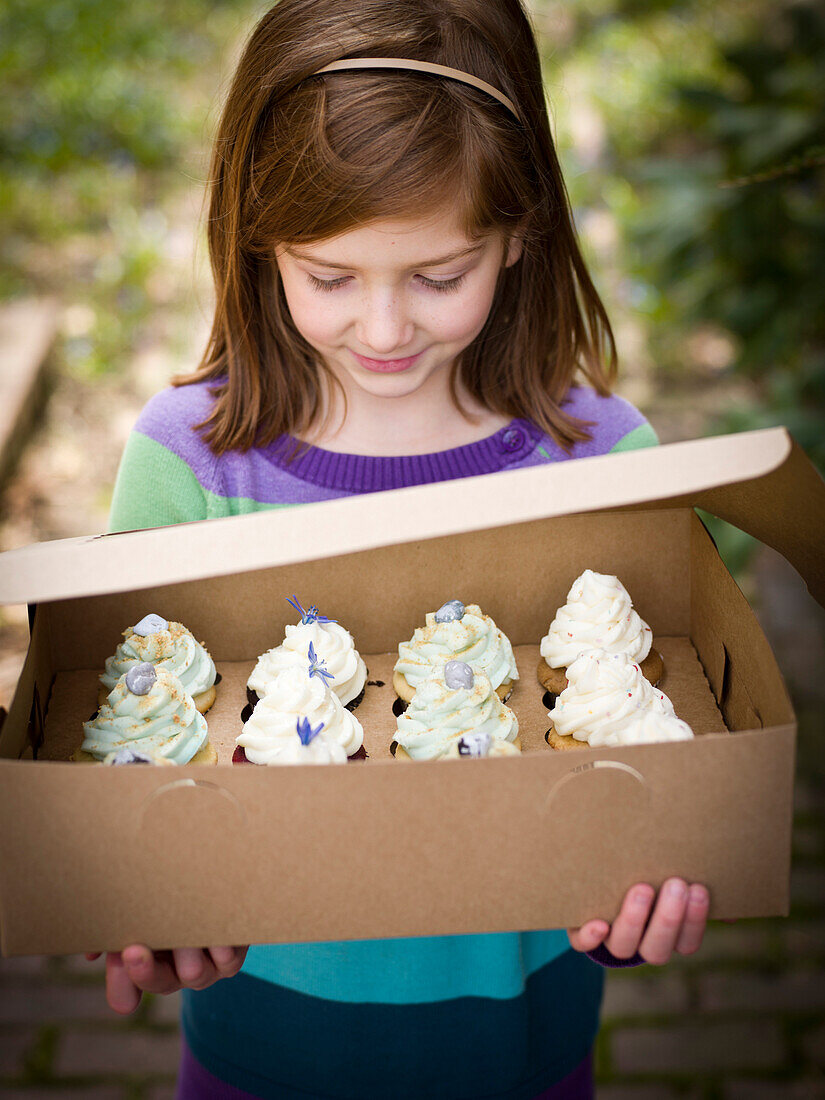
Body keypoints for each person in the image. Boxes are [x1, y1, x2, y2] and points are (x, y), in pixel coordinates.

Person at [94, 0, 711, 1095]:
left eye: (439, 275)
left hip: (521, 1044)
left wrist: (636, 892)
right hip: (258, 1045)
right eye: (330, 276)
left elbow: (654, 769)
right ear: (256, 236)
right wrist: (139, 896)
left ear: (520, 230)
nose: (384, 330)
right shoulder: (189, 462)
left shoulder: (610, 464)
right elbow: (129, 754)